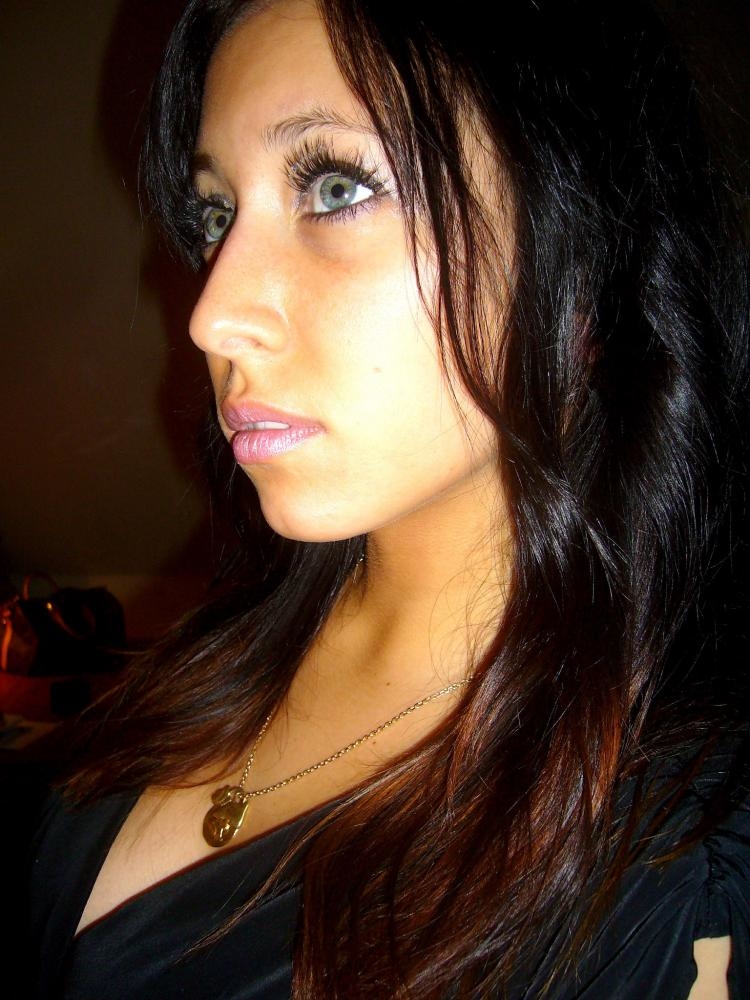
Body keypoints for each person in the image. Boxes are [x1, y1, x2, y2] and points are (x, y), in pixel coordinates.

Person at [26, 0, 750, 997]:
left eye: (337, 186)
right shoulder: (216, 648)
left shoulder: (664, 870)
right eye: (216, 213)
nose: (213, 316)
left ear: (587, 260)